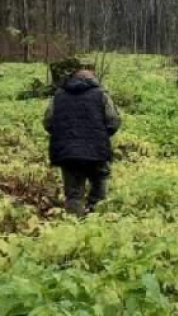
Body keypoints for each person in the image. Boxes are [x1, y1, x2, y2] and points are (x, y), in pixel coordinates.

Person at [43, 68, 121, 215]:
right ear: (93, 79)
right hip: (97, 151)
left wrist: (63, 137)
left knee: (74, 195)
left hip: (68, 154)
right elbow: (114, 121)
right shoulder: (101, 95)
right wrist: (102, 136)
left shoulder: (58, 95)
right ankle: (96, 224)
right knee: (99, 192)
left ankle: (76, 227)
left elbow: (48, 122)